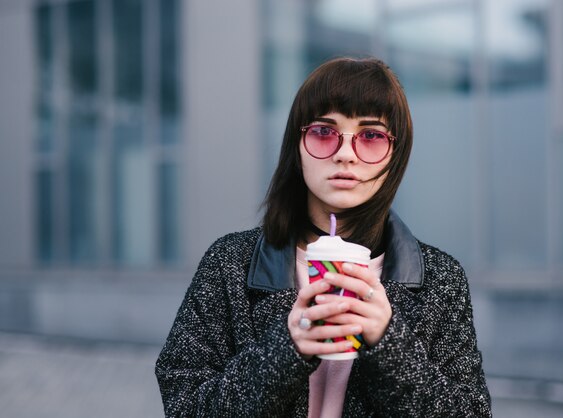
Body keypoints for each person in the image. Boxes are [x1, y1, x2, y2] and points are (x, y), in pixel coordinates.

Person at [155, 56, 492, 417]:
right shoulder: (231, 264)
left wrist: (389, 341)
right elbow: (183, 404)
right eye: (323, 132)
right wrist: (286, 347)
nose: (346, 154)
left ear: (395, 154)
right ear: (297, 146)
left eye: (371, 136)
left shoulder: (438, 280)